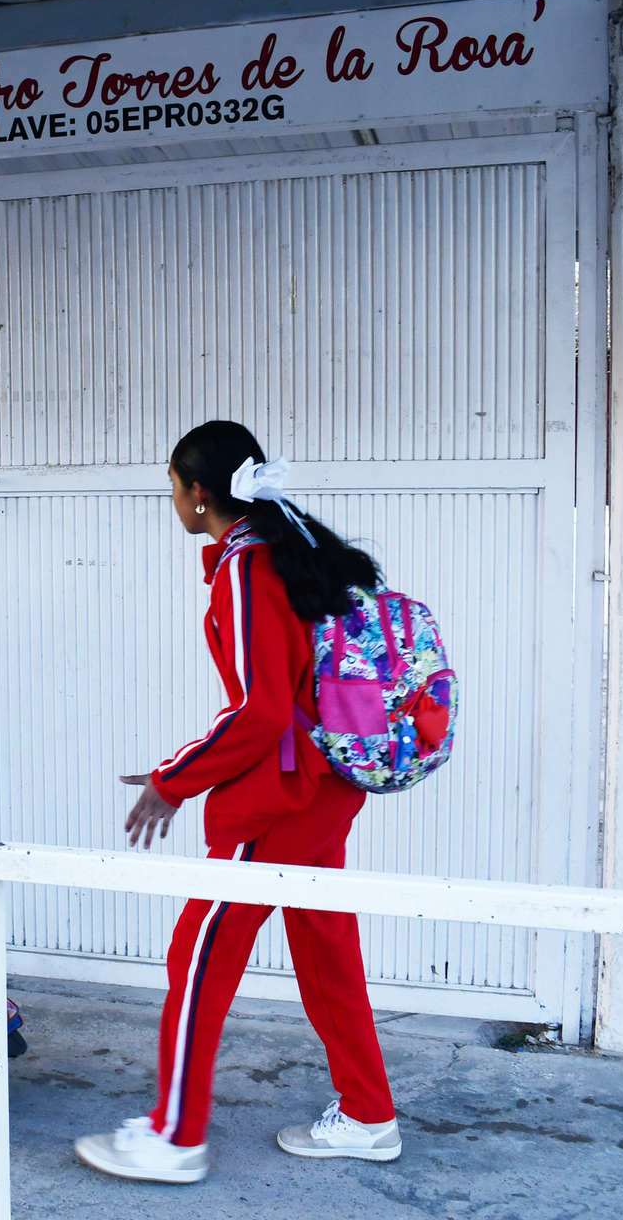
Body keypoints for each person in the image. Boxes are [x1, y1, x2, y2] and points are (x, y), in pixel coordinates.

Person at [74, 420, 400, 1185]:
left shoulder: (249, 568)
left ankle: (175, 1136)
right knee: (327, 954)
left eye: (172, 488)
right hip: (323, 790)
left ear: (196, 492)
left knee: (198, 958)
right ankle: (368, 1114)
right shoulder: (279, 552)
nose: (174, 503)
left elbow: (259, 710)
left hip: (281, 800)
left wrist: (173, 779)